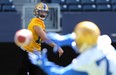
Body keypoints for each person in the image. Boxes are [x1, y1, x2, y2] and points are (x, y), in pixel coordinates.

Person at [29, 21, 116, 75]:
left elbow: (60, 74)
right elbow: (87, 36)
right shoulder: (104, 43)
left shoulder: (85, 61)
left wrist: (43, 63)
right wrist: (63, 39)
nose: (75, 42)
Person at [17, 2, 64, 75]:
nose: (43, 14)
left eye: (45, 12)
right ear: (36, 12)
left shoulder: (40, 22)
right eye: (41, 11)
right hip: (27, 51)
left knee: (34, 73)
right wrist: (57, 47)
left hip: (35, 52)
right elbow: (45, 38)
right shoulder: (36, 23)